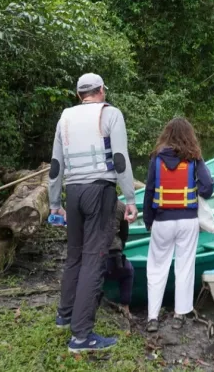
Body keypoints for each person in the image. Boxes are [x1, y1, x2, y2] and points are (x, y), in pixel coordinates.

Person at [49, 73, 138, 353]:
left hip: (72, 193)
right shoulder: (110, 114)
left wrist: (54, 203)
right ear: (101, 90)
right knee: (93, 260)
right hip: (99, 191)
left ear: (79, 95)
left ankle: (65, 316)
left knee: (74, 255)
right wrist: (131, 199)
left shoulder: (64, 118)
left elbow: (55, 165)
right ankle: (81, 337)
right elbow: (120, 160)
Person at [143, 117, 214, 334]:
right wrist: (196, 192)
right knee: (184, 267)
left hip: (162, 220)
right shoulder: (194, 158)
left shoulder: (157, 158)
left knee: (156, 268)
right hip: (187, 220)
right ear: (189, 136)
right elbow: (208, 187)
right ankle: (178, 315)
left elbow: (149, 191)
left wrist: (148, 221)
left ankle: (152, 318)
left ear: (167, 134)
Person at [104, 201, 134, 306]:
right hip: (112, 256)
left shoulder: (88, 203)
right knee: (128, 271)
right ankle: (125, 307)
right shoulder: (120, 206)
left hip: (92, 254)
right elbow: (124, 234)